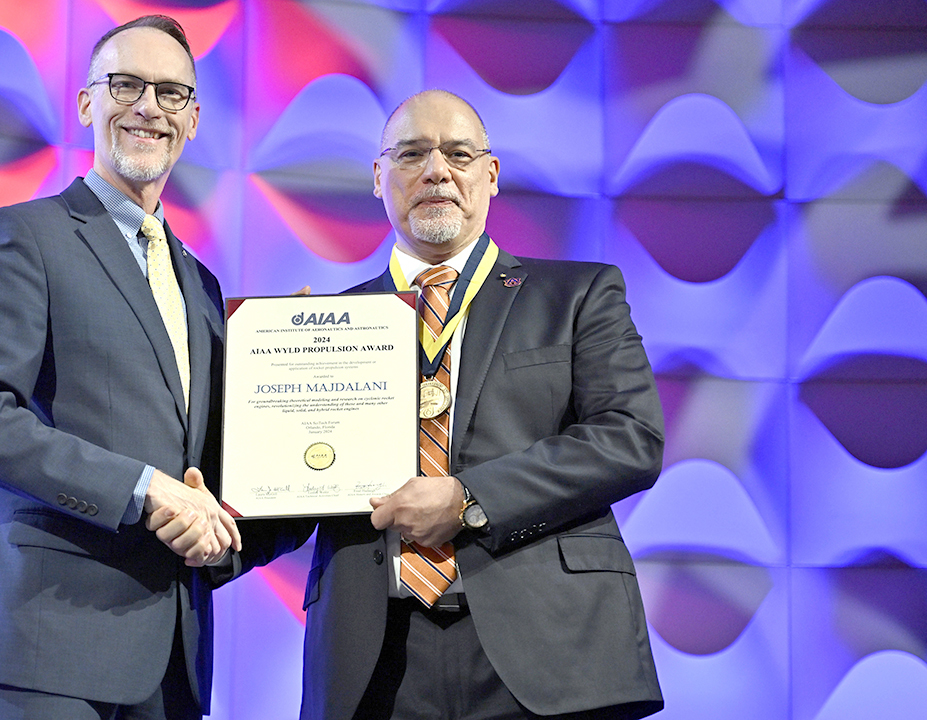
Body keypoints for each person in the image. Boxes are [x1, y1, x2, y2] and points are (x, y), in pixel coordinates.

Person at [232, 90, 667, 720]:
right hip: (375, 657)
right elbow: (295, 489)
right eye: (411, 154)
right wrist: (221, 503)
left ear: (490, 176)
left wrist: (468, 498)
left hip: (551, 645)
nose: (437, 170)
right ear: (378, 177)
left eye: (459, 154)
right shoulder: (320, 326)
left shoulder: (577, 294)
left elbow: (631, 438)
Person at [0, 15, 240, 720]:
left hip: (173, 655)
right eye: (125, 84)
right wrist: (143, 490)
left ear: (193, 119)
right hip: (53, 643)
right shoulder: (25, 234)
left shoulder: (203, 285)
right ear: (85, 104)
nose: (147, 108)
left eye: (169, 93)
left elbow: (205, 466)